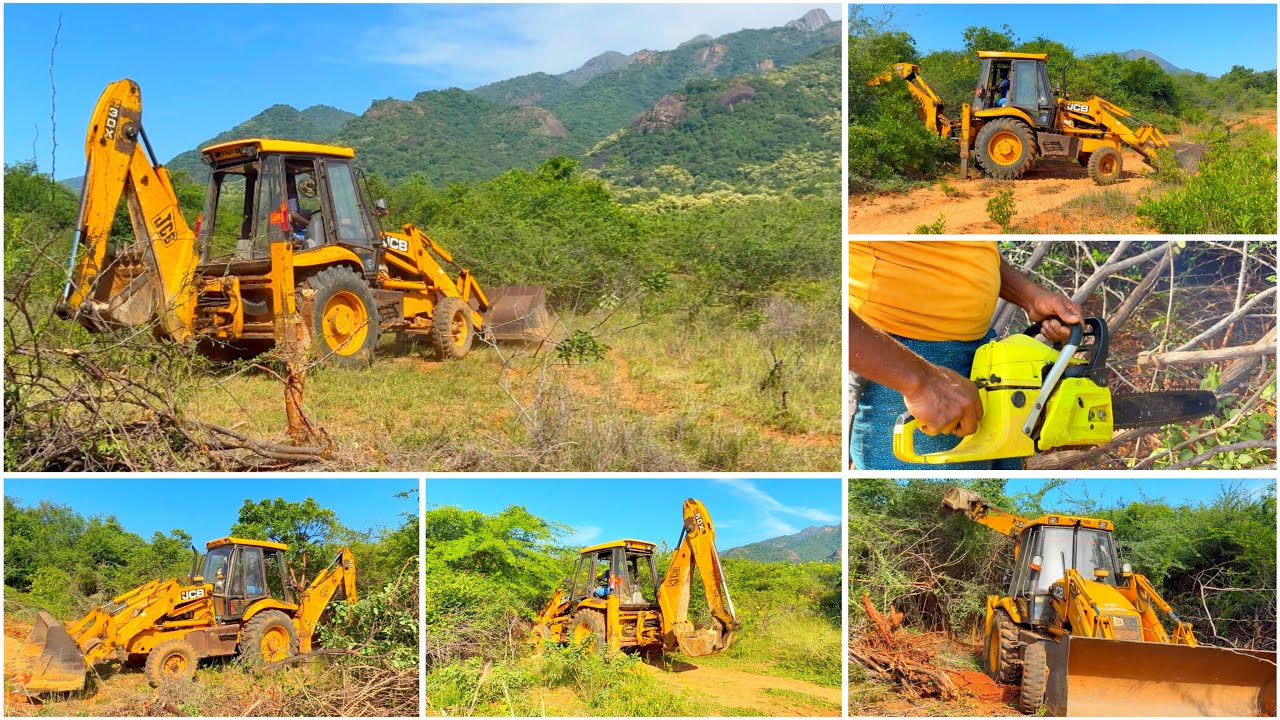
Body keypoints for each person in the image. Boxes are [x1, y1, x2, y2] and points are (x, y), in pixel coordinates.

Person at [848, 241, 1082, 470]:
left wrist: (1031, 297)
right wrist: (920, 381)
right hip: (902, 360)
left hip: (981, 353)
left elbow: (970, 250)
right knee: (927, 493)